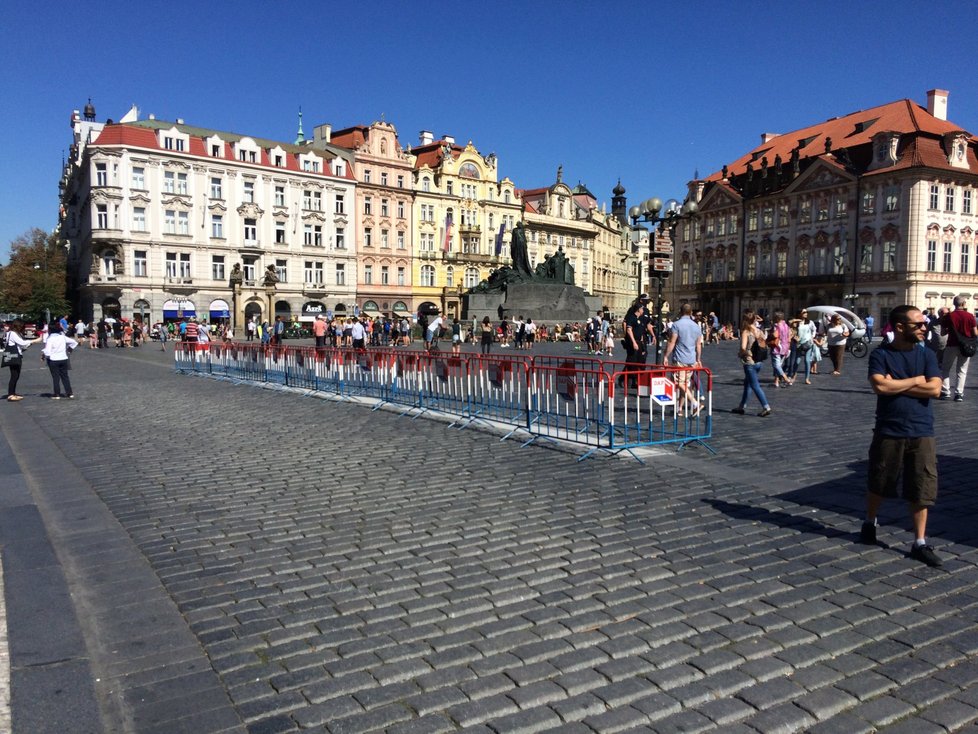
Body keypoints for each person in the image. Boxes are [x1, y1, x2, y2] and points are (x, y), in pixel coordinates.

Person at [862, 304, 942, 567]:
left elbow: (935, 390)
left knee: (922, 486)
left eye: (924, 324)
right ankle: (870, 522)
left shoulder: (927, 355)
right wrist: (917, 380)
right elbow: (880, 386)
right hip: (890, 428)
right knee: (880, 479)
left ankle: (919, 542)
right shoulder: (881, 354)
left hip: (922, 429)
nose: (924, 328)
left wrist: (897, 385)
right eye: (918, 324)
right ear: (899, 327)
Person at [663, 303, 703, 417]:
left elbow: (672, 342)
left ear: (680, 312)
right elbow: (698, 345)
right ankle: (679, 408)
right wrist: (698, 359)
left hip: (680, 358)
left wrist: (666, 356)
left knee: (679, 383)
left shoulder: (676, 325)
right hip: (691, 359)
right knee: (685, 384)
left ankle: (695, 403)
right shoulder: (696, 326)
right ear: (691, 313)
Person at [732, 309, 772, 416]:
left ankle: (766, 406)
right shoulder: (759, 331)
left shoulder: (746, 332)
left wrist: (740, 354)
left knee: (755, 385)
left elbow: (743, 348)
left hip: (749, 362)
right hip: (759, 361)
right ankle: (742, 406)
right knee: (747, 384)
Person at [939, 295, 977, 402]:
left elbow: (943, 333)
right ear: (964, 304)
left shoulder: (949, 316)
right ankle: (959, 394)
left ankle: (946, 391)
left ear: (954, 304)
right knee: (962, 370)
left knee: (945, 368)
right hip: (965, 346)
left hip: (951, 344)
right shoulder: (970, 316)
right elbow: (975, 333)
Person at [3, 320, 41, 401]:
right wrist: (35, 340)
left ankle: (13, 393)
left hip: (12, 355)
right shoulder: (13, 333)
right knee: (14, 375)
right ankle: (11, 394)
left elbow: (21, 344)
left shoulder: (10, 333)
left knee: (15, 375)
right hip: (14, 356)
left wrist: (29, 343)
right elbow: (22, 343)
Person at [42, 321, 77, 399]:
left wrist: (44, 355)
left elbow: (47, 352)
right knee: (65, 377)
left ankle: (56, 394)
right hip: (64, 358)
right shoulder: (62, 337)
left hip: (54, 360)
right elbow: (74, 342)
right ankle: (69, 393)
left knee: (56, 377)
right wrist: (69, 350)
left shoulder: (50, 339)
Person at [770, 311, 793, 388]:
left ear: (776, 318)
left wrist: (771, 334)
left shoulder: (777, 325)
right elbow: (789, 336)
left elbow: (775, 334)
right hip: (785, 348)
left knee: (776, 365)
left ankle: (785, 378)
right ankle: (776, 381)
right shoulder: (786, 325)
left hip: (777, 347)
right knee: (779, 365)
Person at [795, 309, 817, 384]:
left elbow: (814, 330)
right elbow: (791, 329)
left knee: (807, 361)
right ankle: (794, 375)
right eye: (804, 312)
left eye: (806, 312)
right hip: (799, 344)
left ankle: (807, 378)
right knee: (797, 361)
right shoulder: (797, 322)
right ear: (799, 314)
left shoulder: (810, 322)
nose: (806, 313)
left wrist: (812, 337)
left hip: (808, 343)